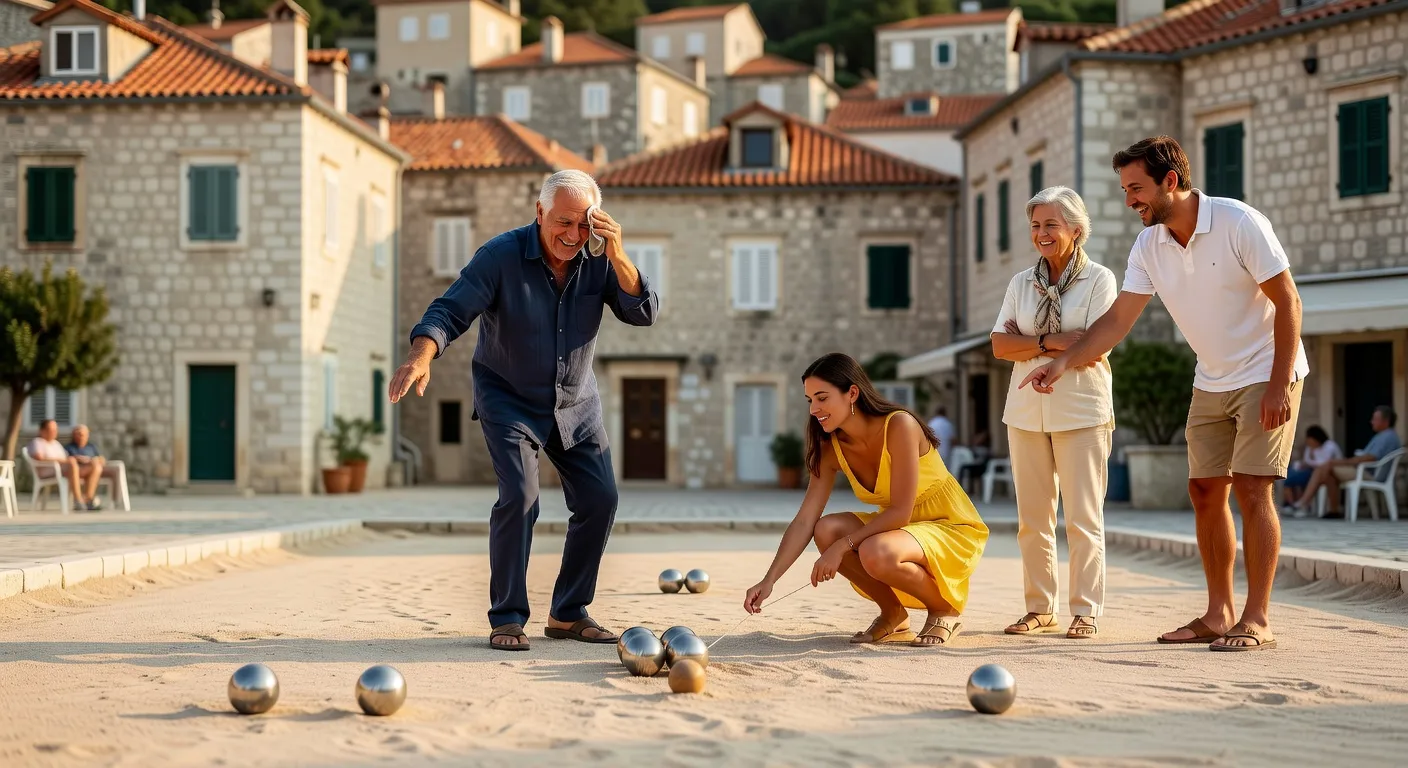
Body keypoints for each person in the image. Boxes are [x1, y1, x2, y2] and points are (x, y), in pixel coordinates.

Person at [1021, 136, 1308, 652]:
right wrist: (1061, 362)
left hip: (1267, 369)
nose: (1129, 200)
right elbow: (1116, 322)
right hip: (1211, 377)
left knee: (1251, 487)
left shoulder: (1239, 221)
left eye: (1136, 189)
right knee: (1203, 491)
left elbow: (1288, 301)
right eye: (1126, 189)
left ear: (1170, 182)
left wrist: (1278, 381)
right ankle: (1218, 613)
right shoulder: (1149, 245)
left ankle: (1257, 616)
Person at [389, 169, 659, 652]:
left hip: (575, 401)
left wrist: (617, 252)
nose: (573, 236)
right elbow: (449, 311)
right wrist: (420, 355)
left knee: (600, 500)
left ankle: (568, 613)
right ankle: (508, 617)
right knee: (520, 496)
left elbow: (644, 312)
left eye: (584, 225)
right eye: (563, 222)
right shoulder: (500, 255)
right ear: (539, 213)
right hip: (508, 397)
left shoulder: (600, 260)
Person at [743, 353, 989, 648]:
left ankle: (945, 609)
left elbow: (900, 511)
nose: (814, 409)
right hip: (902, 529)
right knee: (826, 529)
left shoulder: (900, 426)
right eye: (810, 400)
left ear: (853, 394)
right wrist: (769, 580)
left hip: (947, 523)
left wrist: (843, 546)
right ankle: (893, 613)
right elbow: (806, 519)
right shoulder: (830, 445)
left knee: (873, 550)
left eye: (822, 398)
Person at [991, 186, 1117, 639]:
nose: (1040, 233)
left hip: (1082, 410)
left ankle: (1085, 610)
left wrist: (1037, 344)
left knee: (1083, 518)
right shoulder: (1020, 283)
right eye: (1035, 225)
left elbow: (1096, 345)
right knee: (1033, 520)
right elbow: (999, 346)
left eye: (1051, 224)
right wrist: (1051, 342)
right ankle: (1039, 608)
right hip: (1024, 411)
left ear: (1077, 230)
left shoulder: (1100, 280)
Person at [1289, 407, 1400, 518]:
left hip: (1368, 473)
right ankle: (1333, 511)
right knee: (1328, 474)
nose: (1371, 422)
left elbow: (1370, 458)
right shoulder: (1383, 436)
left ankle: (1304, 502)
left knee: (1328, 465)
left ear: (1386, 421)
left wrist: (1348, 461)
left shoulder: (1387, 437)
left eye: (1375, 419)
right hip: (1364, 470)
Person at [26, 419, 100, 510]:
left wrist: (77, 459)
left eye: (55, 429)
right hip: (48, 470)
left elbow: (66, 458)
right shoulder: (37, 442)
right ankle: (78, 500)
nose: (54, 432)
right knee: (72, 463)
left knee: (95, 466)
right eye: (51, 429)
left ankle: (88, 499)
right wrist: (66, 461)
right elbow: (39, 458)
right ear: (42, 431)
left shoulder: (56, 444)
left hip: (64, 470)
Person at [1280, 425, 1340, 512]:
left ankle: (1299, 504)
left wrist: (1311, 459)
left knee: (1295, 477)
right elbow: (1306, 461)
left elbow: (1323, 463)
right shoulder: (1310, 447)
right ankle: (1291, 504)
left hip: (1327, 472)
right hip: (1312, 471)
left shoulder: (1329, 446)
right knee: (1290, 473)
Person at [65, 424, 110, 511]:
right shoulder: (69, 447)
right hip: (76, 471)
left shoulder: (91, 447)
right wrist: (78, 458)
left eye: (82, 434)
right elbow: (66, 460)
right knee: (96, 467)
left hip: (91, 470)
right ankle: (85, 499)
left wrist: (92, 460)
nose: (80, 436)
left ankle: (88, 498)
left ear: (87, 435)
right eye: (77, 434)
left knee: (97, 466)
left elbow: (102, 459)